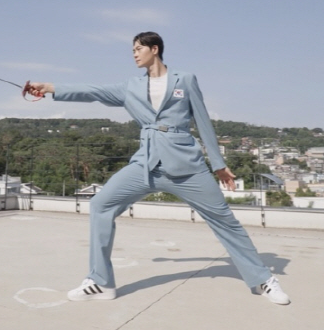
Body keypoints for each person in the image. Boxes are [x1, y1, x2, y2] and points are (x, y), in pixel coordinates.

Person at [23, 32, 290, 305]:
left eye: (139, 49)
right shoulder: (131, 87)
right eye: (132, 50)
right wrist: (49, 88)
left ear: (155, 49)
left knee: (224, 221)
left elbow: (203, 120)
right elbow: (93, 91)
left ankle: (262, 279)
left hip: (187, 166)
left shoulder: (184, 79)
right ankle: (101, 283)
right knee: (100, 205)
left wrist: (219, 164)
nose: (134, 54)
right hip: (146, 164)